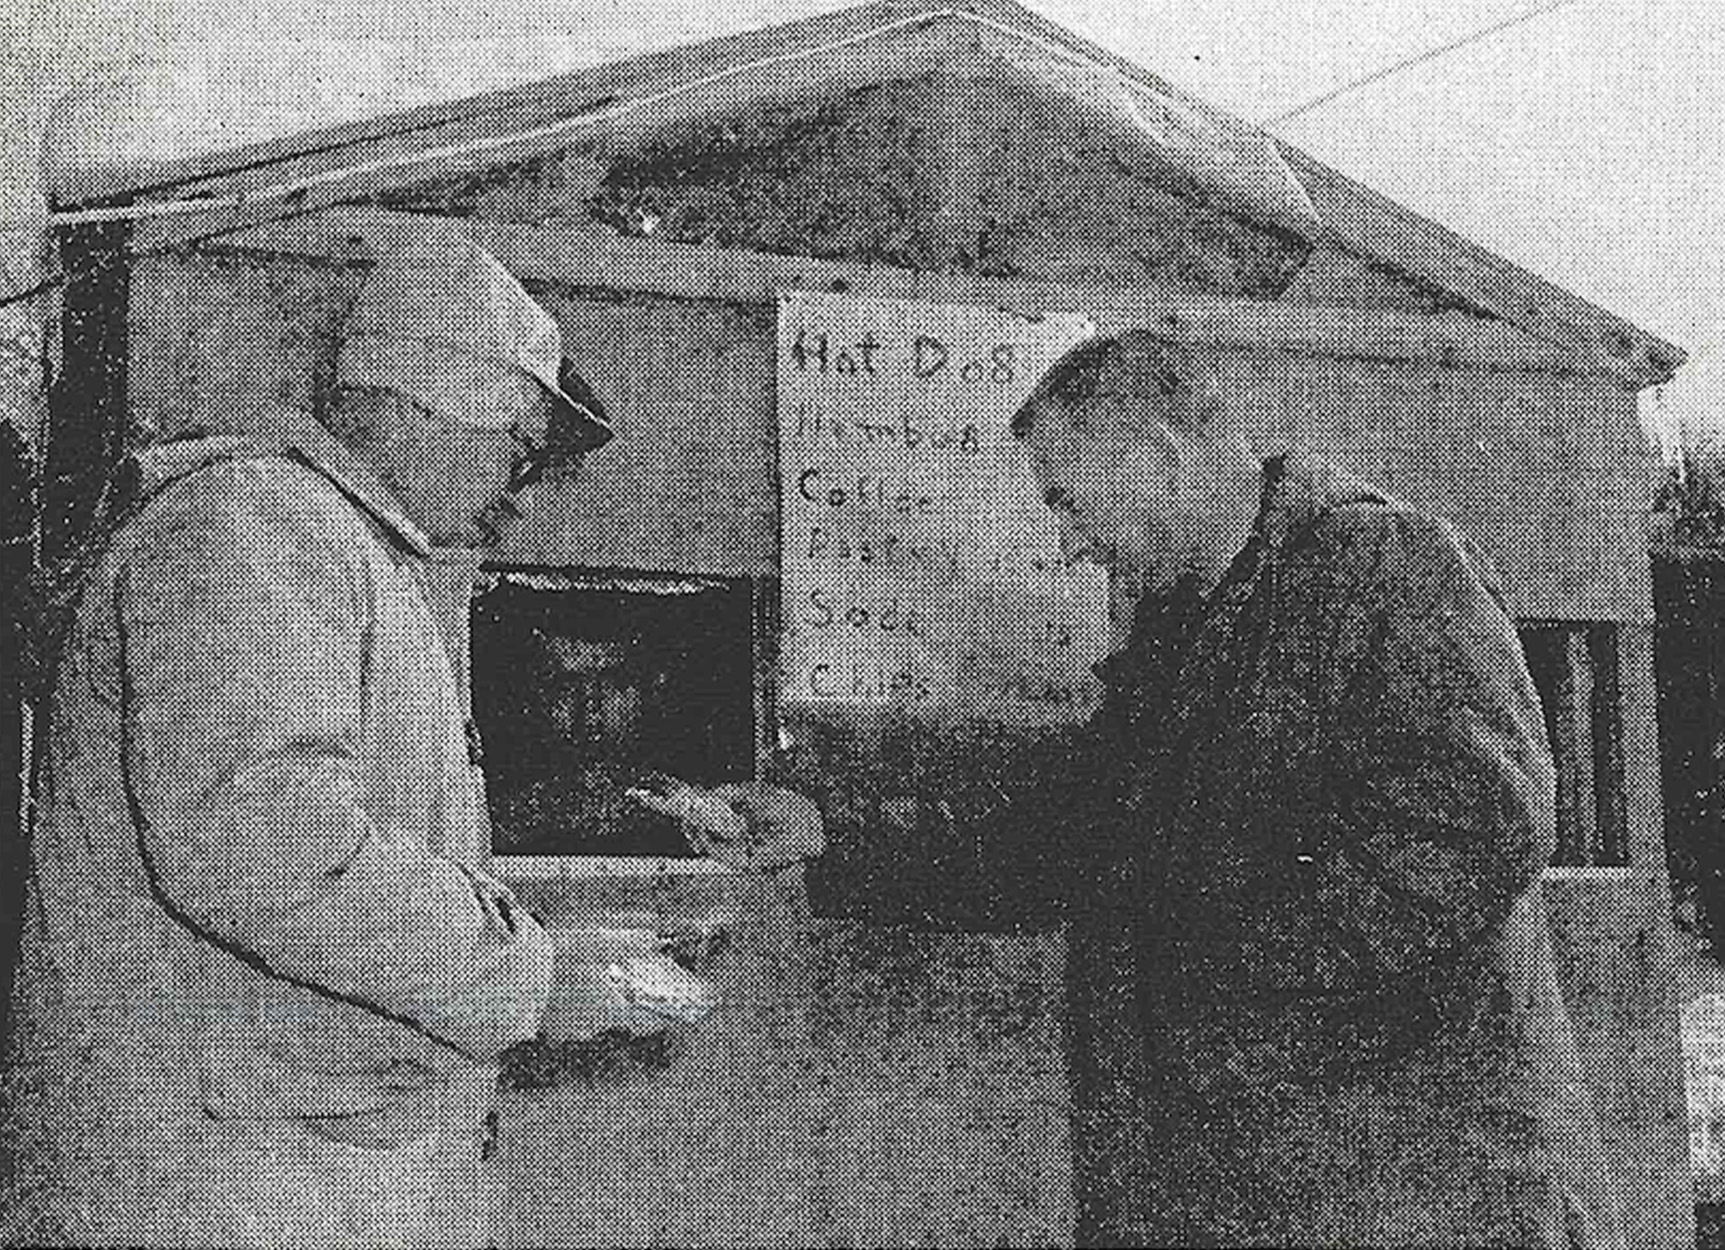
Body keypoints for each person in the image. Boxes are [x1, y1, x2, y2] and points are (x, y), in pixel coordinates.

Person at [0, 227, 806, 1248]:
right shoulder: (253, 527)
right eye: (518, 452)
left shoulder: (332, 546)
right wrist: (532, 972)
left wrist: (561, 952)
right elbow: (266, 849)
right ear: (431, 399)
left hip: (270, 1162)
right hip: (211, 1184)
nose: (518, 497)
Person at [994, 331, 1626, 1247]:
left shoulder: (1382, 567)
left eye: (1069, 503)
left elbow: (1479, 825)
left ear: (1160, 461)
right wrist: (831, 832)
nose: (1067, 545)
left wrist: (1222, 975)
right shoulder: (1183, 631)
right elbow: (1082, 832)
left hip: (1426, 1198)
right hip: (1287, 1191)